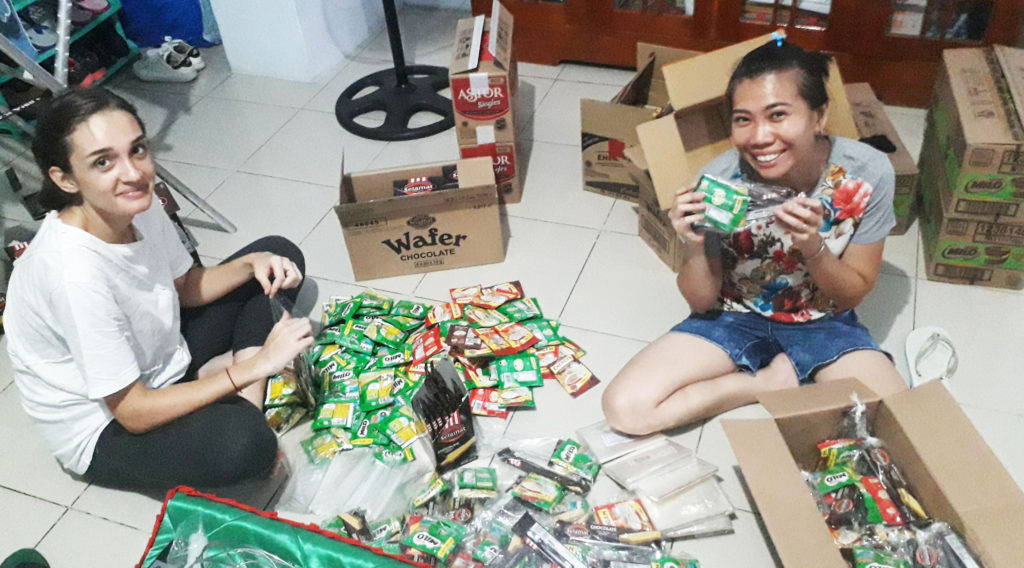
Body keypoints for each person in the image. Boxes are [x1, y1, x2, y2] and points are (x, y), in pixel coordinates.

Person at [4, 87, 314, 491]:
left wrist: (248, 265)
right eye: (103, 162)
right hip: (106, 423)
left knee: (278, 257)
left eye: (137, 150)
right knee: (245, 442)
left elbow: (185, 288)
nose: (133, 173)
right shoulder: (72, 275)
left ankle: (233, 396)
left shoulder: (137, 203)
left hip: (158, 359)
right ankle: (236, 398)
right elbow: (132, 412)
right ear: (64, 179)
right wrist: (255, 366)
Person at [602, 41, 907, 436]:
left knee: (900, 422)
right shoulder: (720, 182)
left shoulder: (866, 173)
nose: (760, 137)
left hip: (823, 321)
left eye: (778, 115)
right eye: (743, 120)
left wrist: (813, 246)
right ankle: (761, 384)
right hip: (734, 316)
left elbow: (851, 294)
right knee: (625, 409)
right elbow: (700, 300)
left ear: (819, 115)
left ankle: (805, 384)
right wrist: (693, 244)